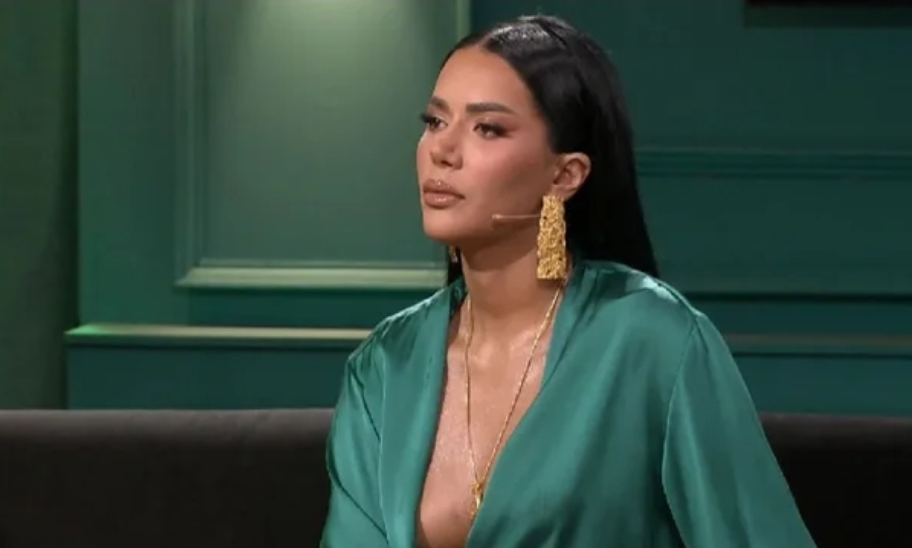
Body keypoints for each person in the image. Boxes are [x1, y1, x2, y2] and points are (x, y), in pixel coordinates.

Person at [320, 14, 816, 548]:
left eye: (487, 128)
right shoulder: (384, 366)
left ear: (564, 175)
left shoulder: (654, 343)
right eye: (435, 121)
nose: (442, 150)